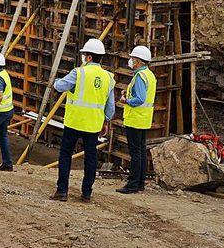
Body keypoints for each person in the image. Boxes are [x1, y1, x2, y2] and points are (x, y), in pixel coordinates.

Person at [51, 39, 115, 202]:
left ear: (89, 57)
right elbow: (110, 106)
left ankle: (62, 191)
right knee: (91, 158)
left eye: (85, 54)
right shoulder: (108, 77)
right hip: (93, 124)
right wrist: (106, 121)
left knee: (65, 154)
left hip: (74, 121)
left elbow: (60, 86)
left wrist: (56, 81)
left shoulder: (78, 73)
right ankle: (86, 193)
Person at [116, 45, 156, 194]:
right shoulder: (149, 75)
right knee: (141, 151)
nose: (131, 61)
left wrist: (126, 100)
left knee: (135, 153)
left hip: (135, 119)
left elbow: (139, 99)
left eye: (132, 58)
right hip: (144, 119)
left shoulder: (140, 76)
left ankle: (132, 184)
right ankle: (140, 183)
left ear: (138, 61)